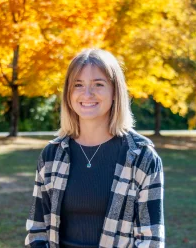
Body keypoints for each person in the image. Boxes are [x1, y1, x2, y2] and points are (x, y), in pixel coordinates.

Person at [25, 49, 164, 248]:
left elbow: (150, 240)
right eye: (78, 85)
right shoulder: (52, 155)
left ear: (115, 91)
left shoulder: (142, 157)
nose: (87, 94)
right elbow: (37, 230)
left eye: (98, 84)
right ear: (68, 93)